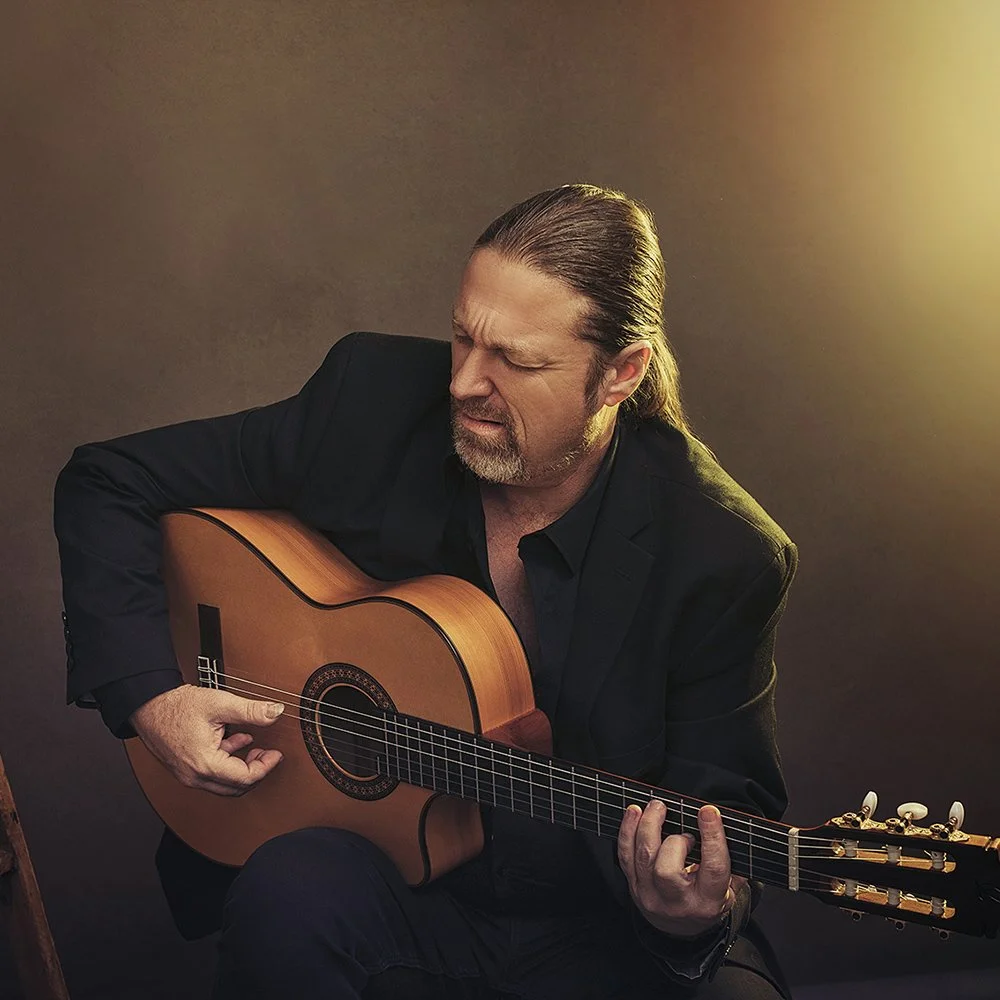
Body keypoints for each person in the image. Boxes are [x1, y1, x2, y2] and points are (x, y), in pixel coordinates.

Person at [54, 184, 798, 999]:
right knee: (288, 896)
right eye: (462, 338)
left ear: (620, 373)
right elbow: (110, 480)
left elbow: (728, 805)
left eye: (515, 360)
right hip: (399, 889)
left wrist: (692, 909)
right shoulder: (370, 400)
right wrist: (153, 696)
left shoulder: (724, 552)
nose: (466, 383)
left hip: (601, 922)